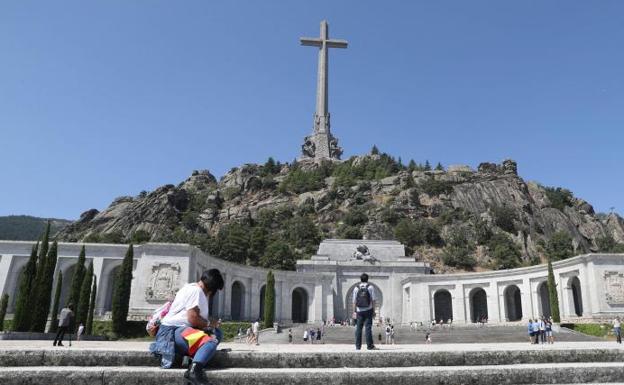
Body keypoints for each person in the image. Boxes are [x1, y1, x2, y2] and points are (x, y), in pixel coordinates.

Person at [149, 269, 224, 385]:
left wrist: (210, 325)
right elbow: (192, 318)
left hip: (176, 330)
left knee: (216, 333)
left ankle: (191, 358)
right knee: (210, 341)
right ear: (212, 288)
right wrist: (209, 324)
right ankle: (194, 371)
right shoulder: (197, 291)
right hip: (174, 331)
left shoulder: (190, 287)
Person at [352, 273, 377, 350]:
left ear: (360, 279)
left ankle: (358, 346)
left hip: (359, 311)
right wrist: (373, 310)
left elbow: (354, 302)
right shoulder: (370, 287)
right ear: (367, 279)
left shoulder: (356, 288)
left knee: (358, 328)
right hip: (368, 310)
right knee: (368, 328)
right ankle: (370, 346)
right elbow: (373, 300)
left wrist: (354, 312)